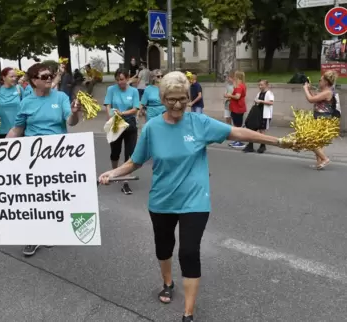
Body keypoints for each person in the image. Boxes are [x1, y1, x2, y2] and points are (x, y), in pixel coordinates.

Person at [98, 71, 293, 322]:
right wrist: (112, 173)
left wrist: (278, 141)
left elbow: (238, 132)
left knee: (189, 252)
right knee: (164, 246)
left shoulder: (200, 123)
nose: (178, 105)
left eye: (183, 99)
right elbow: (134, 162)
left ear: (189, 98)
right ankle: (167, 282)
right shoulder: (153, 128)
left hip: (195, 200)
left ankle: (188, 313)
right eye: (171, 100)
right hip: (162, 200)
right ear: (163, 98)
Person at [6, 62, 81, 257]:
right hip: (33, 156)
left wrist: (74, 113)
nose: (49, 79)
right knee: (34, 196)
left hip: (58, 153)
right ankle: (33, 236)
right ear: (33, 81)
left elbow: (70, 121)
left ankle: (52, 230)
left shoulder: (61, 97)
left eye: (50, 76)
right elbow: (17, 129)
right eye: (44, 77)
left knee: (54, 195)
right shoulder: (26, 102)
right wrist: (1, 150)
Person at [104, 68, 140, 195]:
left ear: (128, 78)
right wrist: (109, 116)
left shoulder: (134, 91)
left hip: (129, 123)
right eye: (118, 80)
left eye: (122, 79)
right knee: (115, 152)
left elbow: (136, 108)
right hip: (115, 123)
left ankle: (125, 182)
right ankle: (115, 173)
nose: (120, 82)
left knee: (129, 154)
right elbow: (107, 104)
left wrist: (123, 113)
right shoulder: (111, 90)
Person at [303, 70, 337, 169]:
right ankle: (319, 163)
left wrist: (305, 89)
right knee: (318, 143)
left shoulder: (327, 92)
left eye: (320, 80)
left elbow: (310, 100)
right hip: (319, 118)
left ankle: (325, 159)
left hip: (323, 119)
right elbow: (314, 97)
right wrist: (309, 90)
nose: (319, 81)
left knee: (311, 141)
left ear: (326, 82)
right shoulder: (325, 92)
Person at [0, 67, 24, 139]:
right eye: (11, 76)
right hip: (1, 130)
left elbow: (25, 107)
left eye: (16, 76)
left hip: (18, 129)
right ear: (4, 77)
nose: (14, 79)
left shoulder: (19, 89)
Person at [243, 79, 274, 153]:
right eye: (259, 85)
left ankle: (263, 146)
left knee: (262, 130)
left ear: (266, 85)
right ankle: (250, 145)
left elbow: (271, 102)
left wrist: (261, 101)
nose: (260, 86)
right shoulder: (259, 93)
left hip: (265, 114)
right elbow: (256, 101)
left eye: (261, 85)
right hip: (258, 114)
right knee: (252, 128)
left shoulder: (269, 93)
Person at [225, 71, 247, 149]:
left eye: (234, 76)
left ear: (237, 77)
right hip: (237, 108)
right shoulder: (241, 85)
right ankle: (237, 140)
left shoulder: (239, 86)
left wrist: (229, 95)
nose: (233, 78)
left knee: (238, 126)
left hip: (238, 108)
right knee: (237, 125)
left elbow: (237, 97)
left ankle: (239, 141)